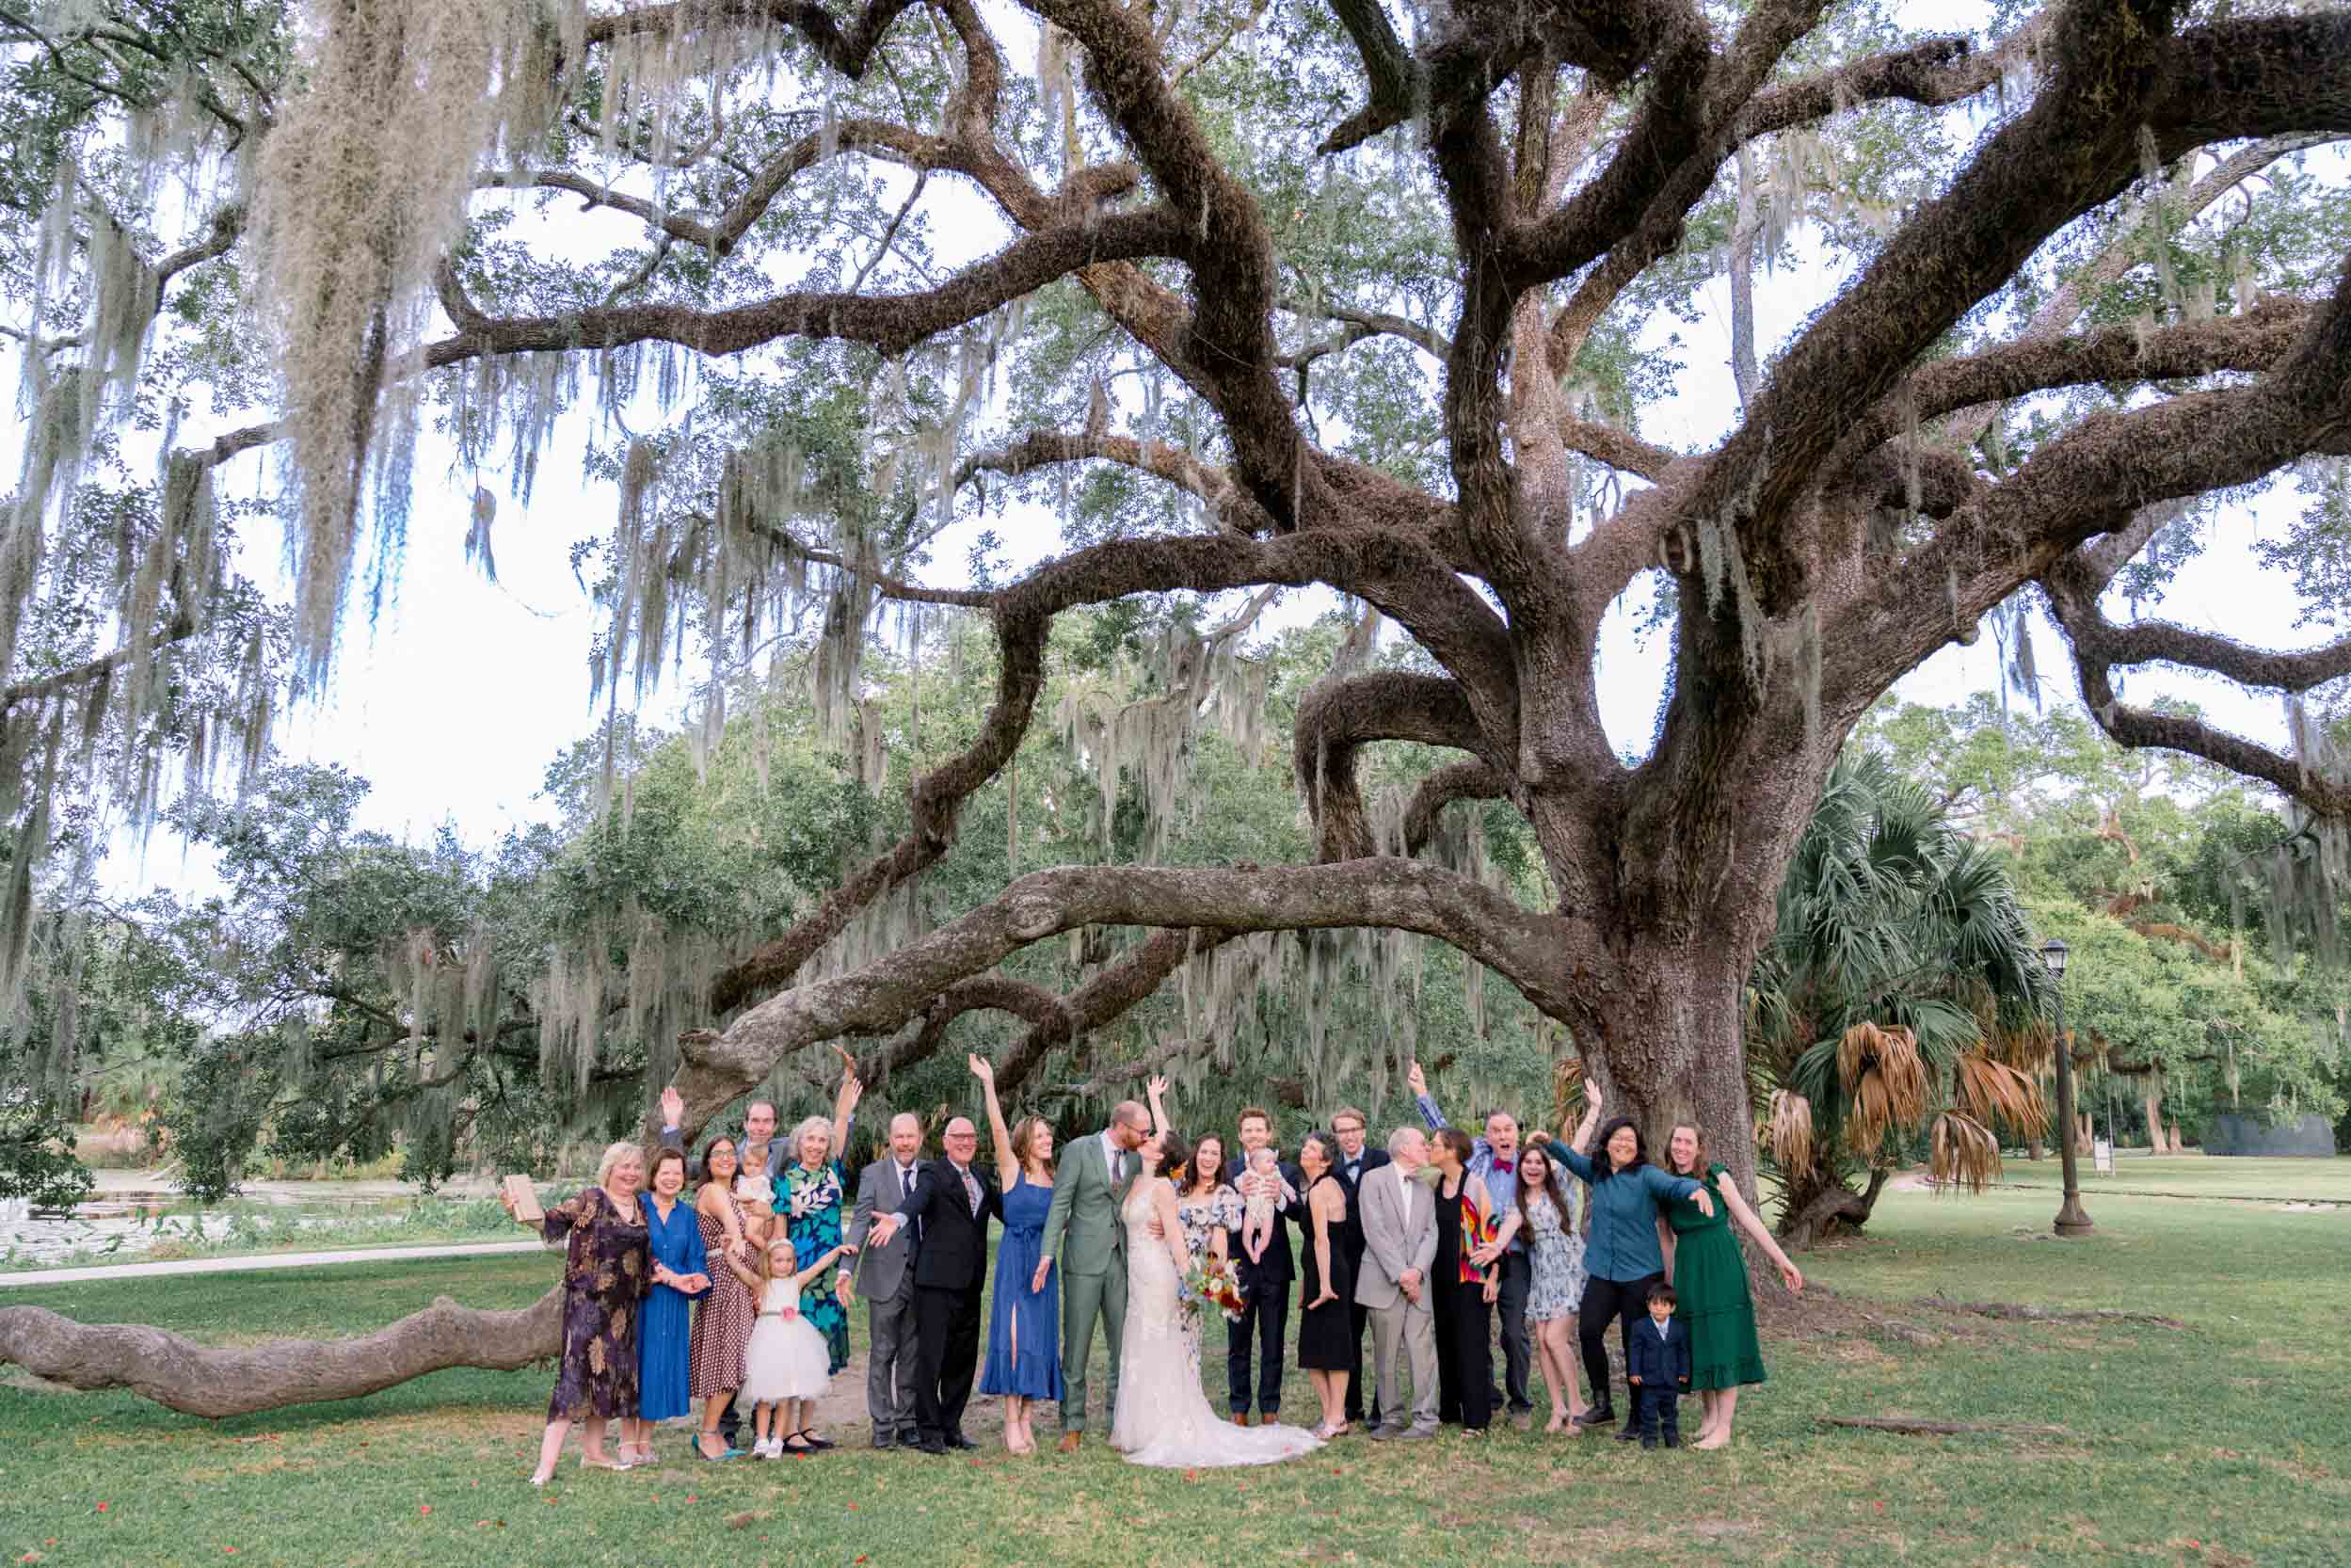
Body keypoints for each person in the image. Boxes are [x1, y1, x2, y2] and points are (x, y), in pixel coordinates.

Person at [1108, 1125, 1323, 1468]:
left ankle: (1203, 1414)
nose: (1208, 1158)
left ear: (1222, 1159)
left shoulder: (1225, 1192)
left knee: (1186, 1348)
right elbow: (1164, 1191)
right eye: (1203, 1151)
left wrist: (1212, 1277)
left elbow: (1220, 1239)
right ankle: (1153, 1418)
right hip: (1157, 1271)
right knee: (1158, 1345)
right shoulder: (1174, 1187)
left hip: (1192, 1275)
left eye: (1214, 1153)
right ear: (1193, 1156)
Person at [1535, 1083, 1714, 1442]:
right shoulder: (1598, 1173)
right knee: (1588, 1332)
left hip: (1640, 1275)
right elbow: (1572, 1160)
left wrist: (1694, 1189)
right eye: (1618, 1138)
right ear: (1607, 1143)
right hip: (1602, 1270)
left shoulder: (1646, 1176)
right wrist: (1548, 1143)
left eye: (1630, 1140)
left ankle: (1636, 1417)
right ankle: (1603, 1404)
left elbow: (1671, 1185)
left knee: (1637, 1343)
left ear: (1637, 1147)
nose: (1624, 1144)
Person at [504, 1141, 651, 1484]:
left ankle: (595, 1453)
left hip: (624, 1310)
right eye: (623, 1166)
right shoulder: (590, 1199)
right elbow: (551, 1222)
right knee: (574, 1382)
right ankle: (546, 1465)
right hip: (586, 1307)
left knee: (607, 1377)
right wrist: (519, 1212)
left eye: (636, 1168)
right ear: (609, 1169)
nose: (630, 1173)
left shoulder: (641, 1207)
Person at [1659, 1122, 1804, 1449]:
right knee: (1699, 1339)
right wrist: (1668, 1283)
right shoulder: (1666, 1186)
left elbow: (1748, 1219)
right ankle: (1709, 1418)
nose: (1681, 1147)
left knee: (1722, 1339)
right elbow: (1666, 1240)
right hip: (1689, 1270)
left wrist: (1782, 1260)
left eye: (1687, 1142)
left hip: (1721, 1265)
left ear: (1699, 1148)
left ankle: (1723, 1428)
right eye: (1676, 1141)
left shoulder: (1716, 1176)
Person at [1409, 1059, 1535, 1428]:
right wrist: (1421, 1091)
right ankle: (1484, 1396)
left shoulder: (1527, 1162)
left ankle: (1520, 1402)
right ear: (1486, 1136)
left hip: (1509, 1259)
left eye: (1508, 1129)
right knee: (1468, 1335)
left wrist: (1494, 1267)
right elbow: (1442, 1131)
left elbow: (1508, 1217)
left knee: (1512, 1333)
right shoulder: (1474, 1156)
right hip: (1464, 1265)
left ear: (1517, 1131)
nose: (1501, 1135)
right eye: (1494, 1130)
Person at [867, 1116, 1000, 1455]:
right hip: (936, 1282)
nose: (965, 1142)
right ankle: (928, 1430)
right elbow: (917, 1201)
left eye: (970, 1136)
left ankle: (950, 1425)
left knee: (962, 1359)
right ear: (945, 1141)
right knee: (932, 1358)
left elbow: (1007, 1211)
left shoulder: (981, 1176)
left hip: (971, 1282)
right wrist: (897, 1219)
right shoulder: (932, 1173)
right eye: (958, 1137)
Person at [1035, 1096, 1150, 1451]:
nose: (1146, 1137)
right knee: (1077, 1347)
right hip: (1082, 1262)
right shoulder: (1078, 1150)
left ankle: (1119, 1420)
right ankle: (1072, 1424)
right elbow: (1060, 1203)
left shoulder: (1137, 1157)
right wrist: (1046, 1253)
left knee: (1122, 1346)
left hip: (1121, 1261)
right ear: (1121, 1127)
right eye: (1141, 1131)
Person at [970, 1053, 1063, 1454]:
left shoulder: (1056, 1177)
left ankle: (1027, 1418)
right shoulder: (1012, 1169)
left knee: (1038, 1339)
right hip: (1014, 1260)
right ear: (1027, 1140)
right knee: (1013, 1336)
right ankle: (1010, 1422)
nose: (1047, 1141)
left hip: (1044, 1263)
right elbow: (996, 1128)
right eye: (1040, 1136)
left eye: (1049, 1136)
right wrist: (990, 1085)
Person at [779, 1069, 864, 1453]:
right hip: (799, 1272)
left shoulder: (835, 1173)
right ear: (799, 1143)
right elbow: (780, 1232)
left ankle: (808, 1425)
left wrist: (846, 1087)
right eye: (810, 1139)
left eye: (821, 1140)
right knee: (796, 1348)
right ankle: (787, 1428)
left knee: (821, 1348)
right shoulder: (786, 1180)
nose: (816, 1145)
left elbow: (842, 1123)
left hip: (831, 1273)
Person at [1493, 1140, 1589, 1432]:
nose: (1532, 1167)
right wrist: (1493, 1248)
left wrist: (1595, 1110)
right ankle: (1557, 1408)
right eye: (1527, 1162)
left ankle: (1577, 1407)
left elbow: (1576, 1147)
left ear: (1547, 1167)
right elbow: (1507, 1228)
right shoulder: (1519, 1202)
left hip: (1569, 1270)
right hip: (1543, 1275)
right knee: (1543, 1344)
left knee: (1555, 1339)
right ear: (1520, 1168)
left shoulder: (1560, 1183)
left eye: (1538, 1162)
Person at [844, 1111, 927, 1449]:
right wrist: (847, 1267)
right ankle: (882, 1426)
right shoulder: (873, 1175)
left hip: (922, 1277)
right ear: (890, 1140)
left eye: (910, 1136)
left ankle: (908, 1422)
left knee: (913, 1353)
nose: (905, 1143)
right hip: (883, 1275)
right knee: (882, 1353)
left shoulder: (931, 1174)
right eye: (899, 1137)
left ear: (920, 1138)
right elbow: (861, 1222)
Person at [624, 1146, 710, 1466]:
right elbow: (631, 1250)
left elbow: (696, 1258)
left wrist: (699, 1278)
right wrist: (663, 1275)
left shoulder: (688, 1215)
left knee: (658, 1370)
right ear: (654, 1176)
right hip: (639, 1300)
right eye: (666, 1172)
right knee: (635, 1368)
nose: (672, 1178)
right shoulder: (638, 1206)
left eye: (677, 1172)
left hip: (671, 1305)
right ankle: (627, 1442)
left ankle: (645, 1442)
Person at [1356, 1127, 1440, 1442]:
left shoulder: (1425, 1184)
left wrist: (1417, 1271)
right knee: (1385, 1354)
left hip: (1418, 1284)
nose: (1428, 1147)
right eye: (1422, 1143)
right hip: (1383, 1281)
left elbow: (1431, 1232)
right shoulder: (1373, 1180)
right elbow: (1374, 1230)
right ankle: (1390, 1417)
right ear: (1404, 1148)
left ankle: (1425, 1419)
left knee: (1423, 1353)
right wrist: (1402, 1274)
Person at [1224, 1105, 1303, 1426]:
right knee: (1237, 1340)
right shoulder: (1228, 1171)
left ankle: (1270, 1408)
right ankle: (1239, 1407)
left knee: (1273, 1339)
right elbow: (1219, 1214)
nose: (1254, 1135)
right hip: (1237, 1267)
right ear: (1240, 1136)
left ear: (1268, 1134)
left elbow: (1300, 1212)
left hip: (1275, 1268)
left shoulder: (1284, 1169)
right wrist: (1237, 1196)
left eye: (1260, 1130)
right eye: (1248, 1130)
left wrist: (1280, 1198)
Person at [743, 1235, 854, 1457]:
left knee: (785, 1395)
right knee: (765, 1395)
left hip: (793, 1342)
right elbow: (741, 1271)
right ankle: (761, 1440)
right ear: (768, 1262)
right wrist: (726, 1253)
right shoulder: (762, 1284)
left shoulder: (797, 1281)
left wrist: (837, 1250)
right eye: (778, 1260)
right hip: (768, 1344)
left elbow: (819, 1265)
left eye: (788, 1261)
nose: (784, 1265)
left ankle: (778, 1440)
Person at [688, 1135, 760, 1461]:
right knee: (733, 1361)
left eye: (731, 1153)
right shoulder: (714, 1191)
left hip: (737, 1284)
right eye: (718, 1154)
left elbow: (747, 1209)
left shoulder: (731, 1193)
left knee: (725, 1361)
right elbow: (731, 1227)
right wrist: (739, 1239)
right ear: (707, 1161)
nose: (726, 1158)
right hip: (728, 1283)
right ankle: (706, 1433)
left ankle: (711, 1432)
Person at [1427, 1127, 1502, 1433]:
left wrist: (1493, 1277)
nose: (1429, 1149)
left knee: (1471, 1347)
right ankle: (1450, 1410)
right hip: (1439, 1279)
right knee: (1445, 1344)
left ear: (1452, 1150)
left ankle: (1477, 1419)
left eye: (1434, 1145)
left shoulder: (1475, 1185)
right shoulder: (1435, 1183)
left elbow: (1491, 1231)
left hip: (1470, 1279)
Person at [1327, 1105, 1390, 1429]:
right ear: (1336, 1137)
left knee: (1383, 1336)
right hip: (1345, 1265)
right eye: (1342, 1131)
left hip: (1380, 1261)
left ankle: (1383, 1407)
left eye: (1354, 1129)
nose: (1349, 1136)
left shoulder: (1382, 1160)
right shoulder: (1331, 1168)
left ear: (1363, 1131)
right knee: (1349, 1335)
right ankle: (1352, 1406)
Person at [1293, 1130, 1356, 1438]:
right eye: (1305, 1146)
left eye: (1312, 1149)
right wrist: (1308, 1282)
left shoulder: (1321, 1191)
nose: (1305, 1151)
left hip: (1329, 1274)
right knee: (1314, 1348)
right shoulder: (1321, 1187)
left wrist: (1326, 1286)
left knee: (1332, 1347)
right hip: (1319, 1273)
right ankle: (1334, 1415)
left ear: (1326, 1160)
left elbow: (1322, 1240)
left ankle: (1335, 1417)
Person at [1625, 1283, 1691, 1448]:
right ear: (1648, 1306)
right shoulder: (1640, 1327)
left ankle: (1671, 1437)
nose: (1659, 1309)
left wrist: (1684, 1371)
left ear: (1672, 1308)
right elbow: (1634, 1351)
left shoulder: (1679, 1328)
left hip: (1671, 1379)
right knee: (1648, 1411)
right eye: (1655, 1304)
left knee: (1670, 1411)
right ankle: (1650, 1438)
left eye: (1664, 1305)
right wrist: (1634, 1372)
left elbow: (1683, 1352)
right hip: (1649, 1379)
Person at [1239, 1145, 1282, 1264]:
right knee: (1247, 1232)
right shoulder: (1249, 1173)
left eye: (1273, 1161)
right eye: (1268, 1161)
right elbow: (1238, 1183)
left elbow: (1285, 1186)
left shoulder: (1276, 1175)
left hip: (1267, 1211)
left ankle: (1258, 1251)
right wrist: (1242, 1192)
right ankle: (1250, 1250)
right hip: (1252, 1210)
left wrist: (1284, 1195)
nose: (1273, 1164)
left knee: (1266, 1234)